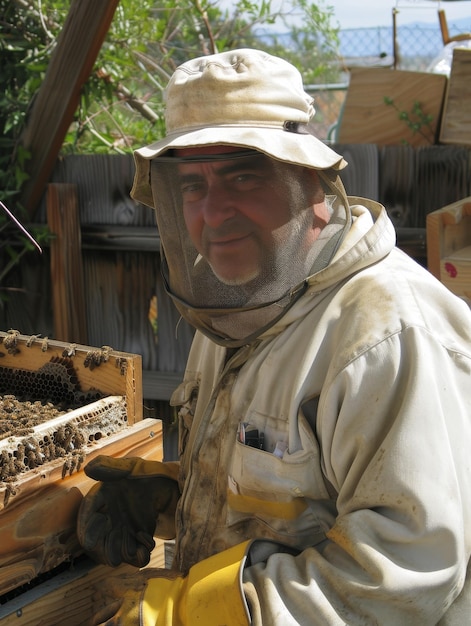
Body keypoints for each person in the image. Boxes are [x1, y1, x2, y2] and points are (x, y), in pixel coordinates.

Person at [77, 48, 471, 625]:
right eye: (191, 185)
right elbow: (286, 497)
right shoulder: (235, 305)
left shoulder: (387, 334)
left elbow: (400, 578)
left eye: (243, 176)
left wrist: (181, 614)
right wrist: (169, 499)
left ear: (310, 183)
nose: (213, 212)